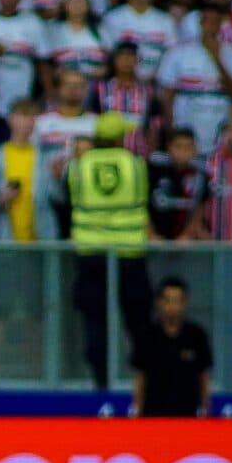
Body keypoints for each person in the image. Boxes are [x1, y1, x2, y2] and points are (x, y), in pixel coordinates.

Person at [66, 112, 152, 390]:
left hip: (90, 252)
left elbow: (73, 199)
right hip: (130, 252)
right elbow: (142, 199)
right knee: (138, 322)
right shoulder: (136, 165)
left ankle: (100, 382)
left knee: (95, 321)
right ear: (117, 138)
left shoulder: (78, 166)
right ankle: (145, 381)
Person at [130, 277, 213, 418]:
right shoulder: (147, 336)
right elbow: (140, 378)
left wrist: (206, 411)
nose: (172, 306)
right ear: (159, 302)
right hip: (152, 415)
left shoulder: (196, 335)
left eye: (177, 301)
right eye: (167, 300)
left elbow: (203, 377)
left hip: (187, 415)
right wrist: (137, 411)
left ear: (185, 302)